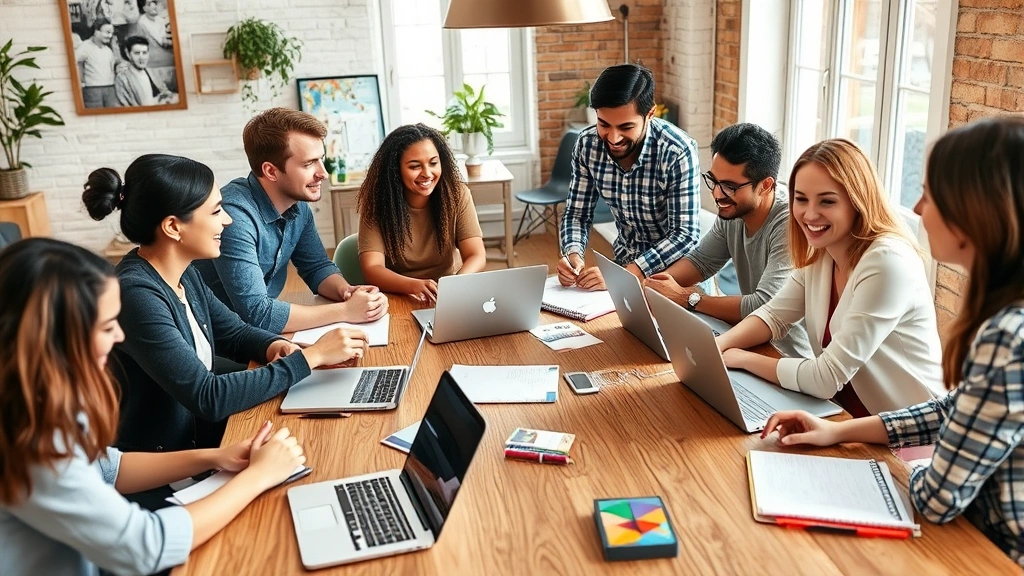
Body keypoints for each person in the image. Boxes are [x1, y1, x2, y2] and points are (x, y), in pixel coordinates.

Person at [762, 116, 1024, 567]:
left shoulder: (1007, 336)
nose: (918, 210)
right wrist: (837, 432)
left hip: (991, 551)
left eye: (931, 195)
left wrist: (906, 469)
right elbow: (952, 409)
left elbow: (938, 498)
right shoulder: (1006, 319)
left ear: (976, 211)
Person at [0, 237, 306, 576]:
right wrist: (258, 478)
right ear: (51, 340)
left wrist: (217, 456)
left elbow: (106, 467)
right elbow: (146, 546)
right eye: (105, 326)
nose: (118, 336)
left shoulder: (36, 399)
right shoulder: (30, 443)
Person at [83, 154, 368, 453]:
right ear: (173, 227)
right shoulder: (137, 295)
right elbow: (209, 397)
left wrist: (278, 347)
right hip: (169, 465)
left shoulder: (184, 273)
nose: (227, 220)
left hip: (204, 442)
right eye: (216, 211)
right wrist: (312, 358)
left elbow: (234, 333)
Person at [715, 138, 943, 415]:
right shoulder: (824, 251)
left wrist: (742, 359)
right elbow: (773, 315)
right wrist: (716, 347)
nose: (810, 214)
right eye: (801, 199)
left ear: (857, 201)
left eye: (827, 201)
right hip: (843, 418)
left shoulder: (887, 262)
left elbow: (825, 379)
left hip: (907, 437)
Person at [194, 108, 388, 333]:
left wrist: (348, 293)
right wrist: (346, 311)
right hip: (219, 340)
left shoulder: (298, 207)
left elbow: (316, 267)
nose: (323, 173)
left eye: (321, 160)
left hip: (258, 332)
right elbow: (258, 314)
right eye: (309, 164)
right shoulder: (234, 217)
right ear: (271, 171)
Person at [645, 123, 812, 359]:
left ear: (766, 186)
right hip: (746, 346)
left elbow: (763, 305)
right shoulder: (733, 209)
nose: (717, 194)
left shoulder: (790, 224)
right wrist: (656, 286)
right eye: (714, 181)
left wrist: (687, 298)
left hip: (786, 358)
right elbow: (701, 261)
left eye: (730, 186)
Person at [557, 63, 700, 291]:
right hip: (623, 264)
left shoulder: (677, 151)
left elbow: (684, 235)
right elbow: (576, 214)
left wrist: (626, 274)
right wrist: (573, 255)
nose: (613, 138)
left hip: (678, 276)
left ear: (650, 114)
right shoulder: (587, 145)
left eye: (626, 127)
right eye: (604, 124)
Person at [357, 124, 485, 302]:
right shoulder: (377, 203)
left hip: (448, 294)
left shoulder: (456, 194)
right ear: (395, 170)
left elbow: (476, 255)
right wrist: (414, 285)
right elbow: (372, 268)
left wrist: (455, 284)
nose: (427, 173)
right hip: (398, 295)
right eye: (415, 166)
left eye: (433, 163)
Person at [115, 35, 176, 106]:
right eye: (137, 53)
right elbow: (125, 105)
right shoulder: (122, 79)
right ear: (128, 55)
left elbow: (164, 91)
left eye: (144, 53)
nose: (142, 58)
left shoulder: (151, 72)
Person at [75, 18, 118, 109]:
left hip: (110, 88)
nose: (110, 36)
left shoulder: (108, 49)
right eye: (107, 32)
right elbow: (76, 63)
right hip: (93, 90)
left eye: (111, 33)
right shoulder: (85, 46)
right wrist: (81, 82)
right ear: (96, 32)